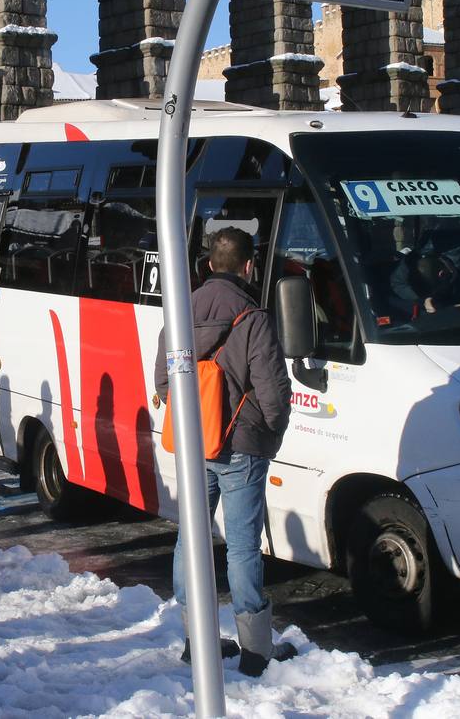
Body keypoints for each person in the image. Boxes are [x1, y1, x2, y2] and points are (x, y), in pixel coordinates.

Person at [152, 227, 294, 677]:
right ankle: (256, 651)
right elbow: (273, 389)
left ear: (211, 264)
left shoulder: (180, 309)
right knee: (243, 546)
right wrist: (271, 429)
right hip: (242, 444)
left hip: (196, 444)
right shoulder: (252, 316)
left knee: (190, 538)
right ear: (248, 265)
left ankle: (198, 641)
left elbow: (162, 379)